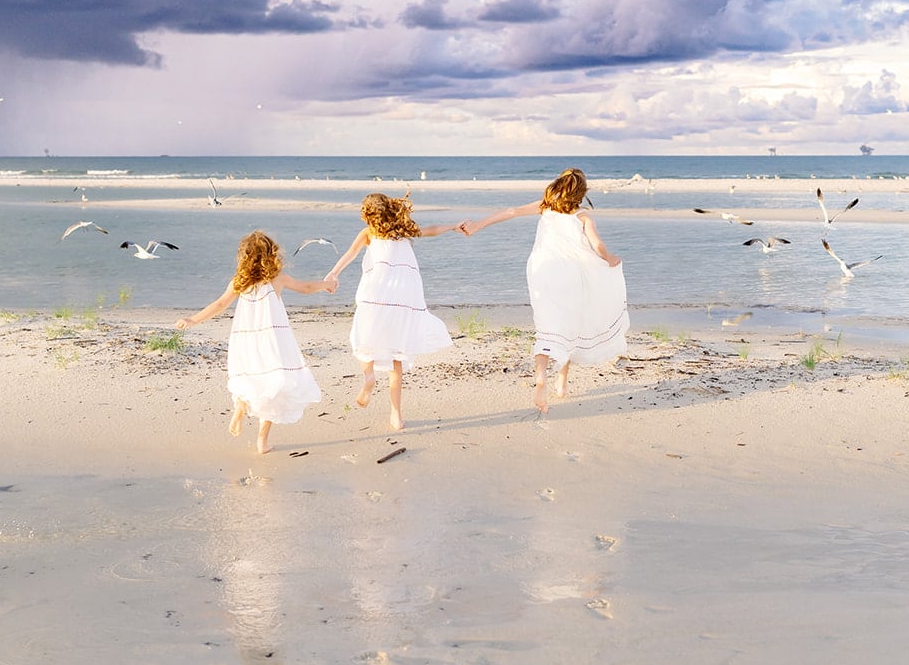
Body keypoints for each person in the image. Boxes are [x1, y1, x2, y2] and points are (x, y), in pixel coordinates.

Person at [462, 168, 628, 413]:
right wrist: (611, 259)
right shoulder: (583, 217)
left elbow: (511, 212)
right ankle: (560, 385)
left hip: (541, 271)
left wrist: (477, 225)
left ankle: (543, 378)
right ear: (581, 193)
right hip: (571, 275)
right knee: (569, 324)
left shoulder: (544, 207)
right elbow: (598, 246)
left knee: (548, 326)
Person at [176, 231, 330, 454]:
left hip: (245, 339)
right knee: (273, 385)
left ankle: (241, 405)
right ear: (271, 254)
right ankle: (262, 442)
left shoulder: (239, 282)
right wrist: (326, 284)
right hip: (272, 340)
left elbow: (219, 305)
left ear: (244, 256)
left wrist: (192, 319)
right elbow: (306, 288)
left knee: (250, 376)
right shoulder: (276, 278)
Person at [325, 193, 462, 431]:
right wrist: (453, 226)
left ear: (368, 214)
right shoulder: (403, 231)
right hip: (402, 298)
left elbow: (350, 254)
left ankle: (368, 376)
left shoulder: (368, 233)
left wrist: (333, 273)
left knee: (362, 340)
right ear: (391, 209)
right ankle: (396, 416)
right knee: (396, 359)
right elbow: (432, 229)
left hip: (374, 295)